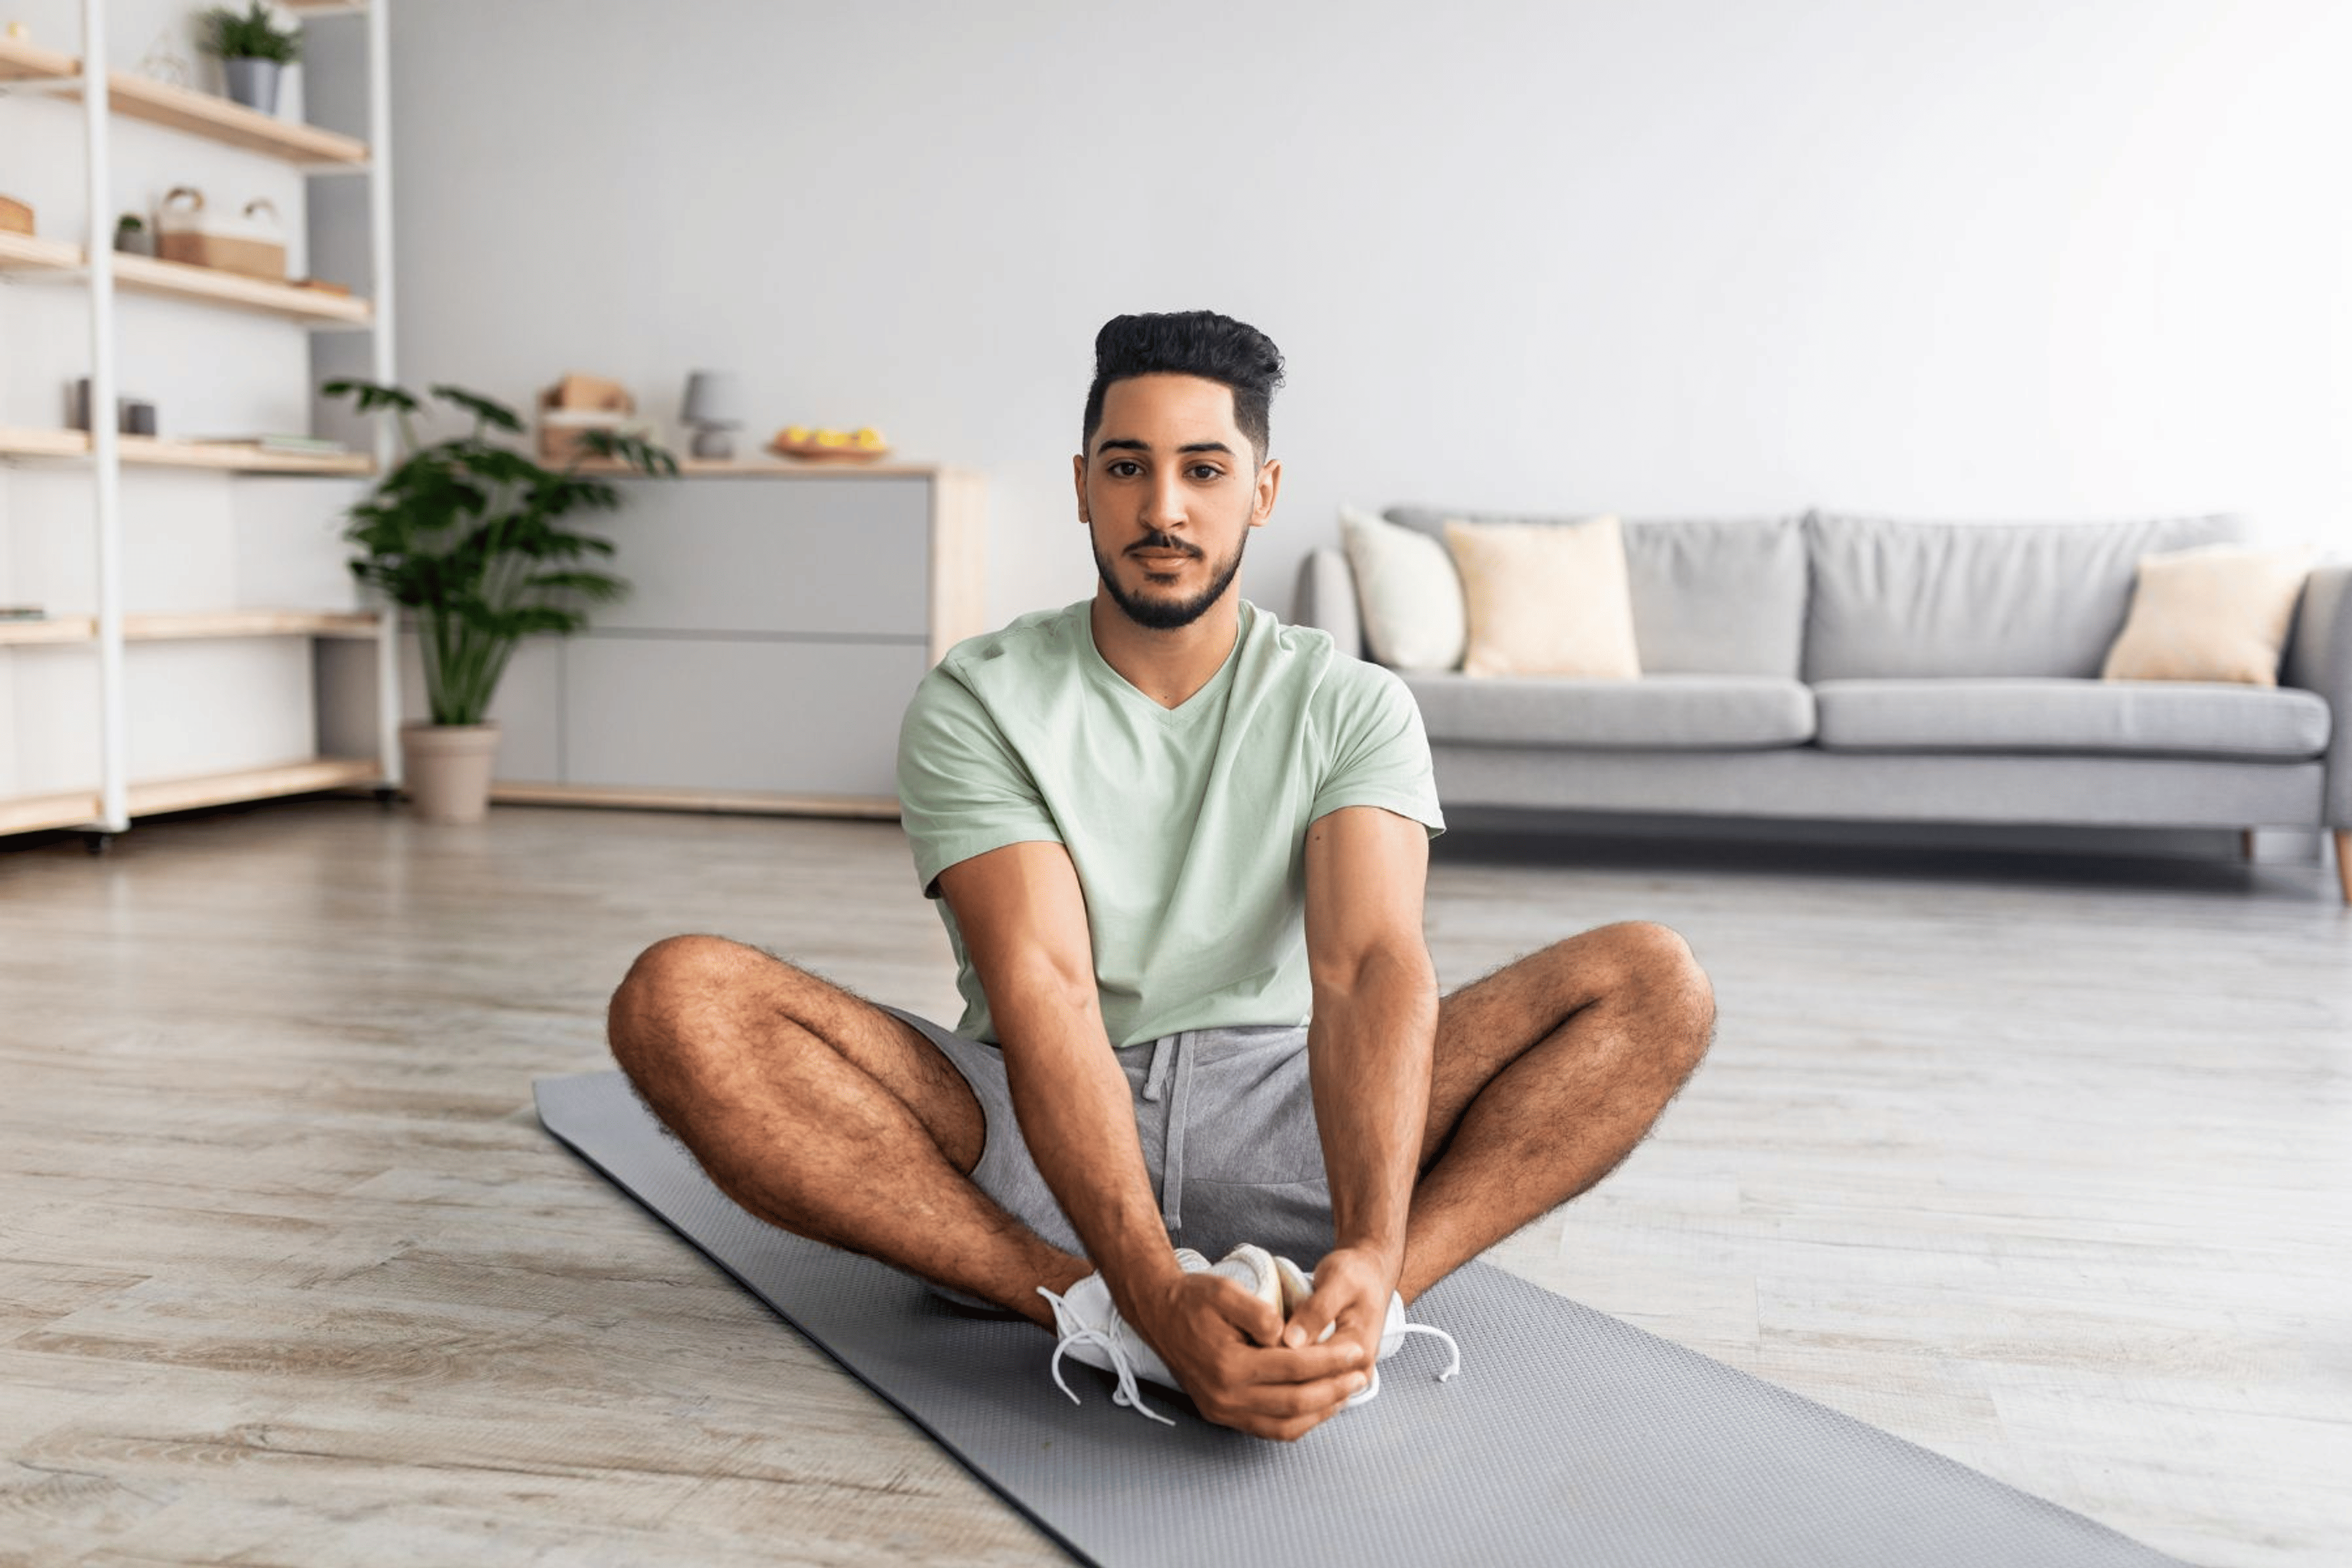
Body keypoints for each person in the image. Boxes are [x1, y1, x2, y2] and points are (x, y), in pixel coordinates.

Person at [608, 310, 1715, 1442]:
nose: (1164, 508)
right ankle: (1074, 1299)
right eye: (1128, 469)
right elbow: (1046, 986)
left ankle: (1363, 1310)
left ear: (1263, 491)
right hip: (1033, 1126)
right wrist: (1135, 1287)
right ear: (1083, 486)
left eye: (1204, 470)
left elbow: (1366, 970)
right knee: (679, 995)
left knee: (1651, 980)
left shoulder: (1352, 703)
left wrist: (1377, 1252)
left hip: (1295, 1118)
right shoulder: (979, 699)